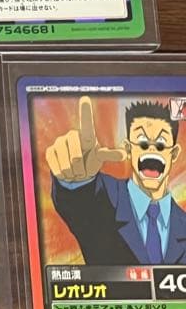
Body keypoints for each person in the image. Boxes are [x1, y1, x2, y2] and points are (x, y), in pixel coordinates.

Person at [47, 97, 186, 265]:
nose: (151, 151)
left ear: (174, 154)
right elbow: (80, 203)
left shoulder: (182, 222)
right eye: (142, 143)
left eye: (160, 145)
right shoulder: (105, 195)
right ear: (128, 148)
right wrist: (75, 178)